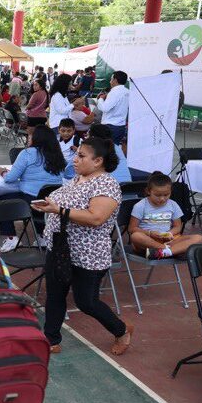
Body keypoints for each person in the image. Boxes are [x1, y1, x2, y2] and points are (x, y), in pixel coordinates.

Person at [32, 137, 132, 356]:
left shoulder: (106, 184)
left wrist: (59, 210)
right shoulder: (78, 179)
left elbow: (96, 217)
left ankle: (122, 330)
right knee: (55, 294)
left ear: (98, 161)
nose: (75, 159)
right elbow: (64, 202)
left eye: (81, 156)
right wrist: (48, 205)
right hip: (60, 247)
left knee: (86, 302)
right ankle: (51, 339)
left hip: (89, 253)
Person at [0, 125, 67, 247]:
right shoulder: (58, 155)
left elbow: (10, 179)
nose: (28, 138)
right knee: (37, 203)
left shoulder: (27, 153)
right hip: (53, 200)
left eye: (30, 136)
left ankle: (11, 238)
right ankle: (42, 236)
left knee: (1, 201)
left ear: (37, 138)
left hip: (31, 199)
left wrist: (3, 172)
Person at [128, 171, 202, 259]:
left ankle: (162, 252)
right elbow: (132, 229)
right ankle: (170, 251)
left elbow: (177, 226)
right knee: (136, 236)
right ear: (148, 191)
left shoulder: (173, 204)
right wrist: (150, 233)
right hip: (149, 241)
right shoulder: (141, 206)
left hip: (169, 240)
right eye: (157, 195)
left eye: (166, 195)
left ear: (170, 192)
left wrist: (169, 233)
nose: (162, 198)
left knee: (199, 238)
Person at [95, 71, 129, 150]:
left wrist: (101, 99)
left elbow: (104, 108)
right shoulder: (128, 92)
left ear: (115, 80)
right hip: (121, 126)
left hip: (110, 126)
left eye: (111, 79)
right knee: (114, 149)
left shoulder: (114, 92)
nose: (110, 82)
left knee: (106, 150)